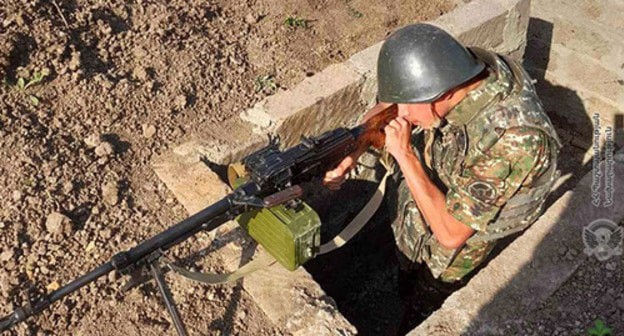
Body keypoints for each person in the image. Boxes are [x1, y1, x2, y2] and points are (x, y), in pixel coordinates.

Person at [322, 23, 561, 331]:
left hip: (466, 234)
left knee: (432, 294)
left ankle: (416, 316)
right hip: (439, 179)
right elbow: (389, 105)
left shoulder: (515, 139)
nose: (401, 114)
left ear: (444, 92)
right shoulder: (461, 70)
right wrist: (354, 149)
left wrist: (405, 155)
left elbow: (451, 234)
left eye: (408, 106)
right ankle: (405, 286)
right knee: (406, 263)